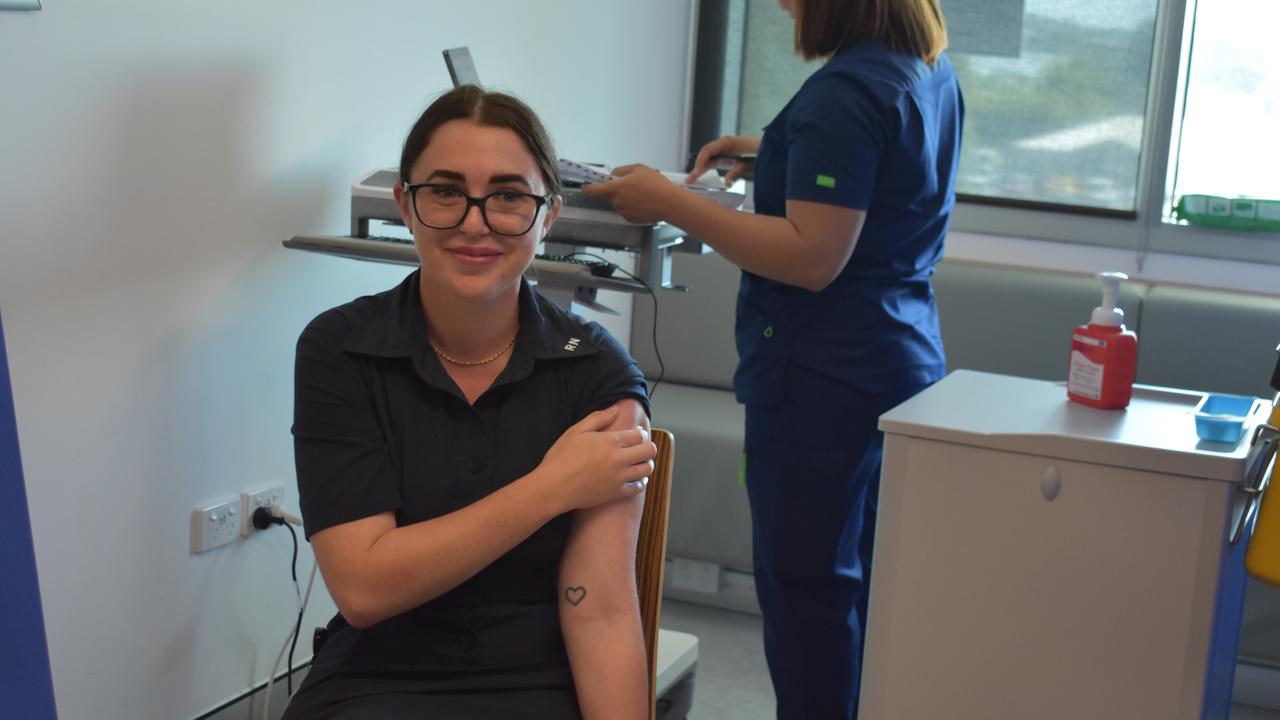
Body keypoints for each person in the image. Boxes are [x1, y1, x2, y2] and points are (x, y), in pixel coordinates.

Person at [583, 0, 962, 716]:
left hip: (822, 378)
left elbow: (812, 256)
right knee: (856, 586)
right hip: (897, 358)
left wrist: (666, 199)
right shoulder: (924, 68)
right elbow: (880, 164)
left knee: (807, 592)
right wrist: (774, 147)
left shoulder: (843, 94)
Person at [284, 85, 657, 720]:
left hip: (540, 678)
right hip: (380, 675)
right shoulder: (339, 351)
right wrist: (552, 487)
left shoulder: (595, 374)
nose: (474, 221)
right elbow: (365, 590)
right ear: (405, 203)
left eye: (509, 196)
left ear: (549, 215)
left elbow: (599, 610)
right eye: (446, 192)